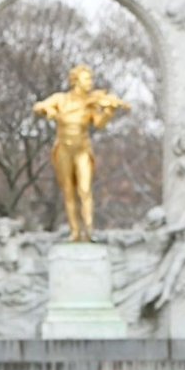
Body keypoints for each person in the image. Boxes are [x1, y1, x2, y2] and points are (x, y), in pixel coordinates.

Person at [32, 65, 130, 242]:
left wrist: (109, 111)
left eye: (90, 79)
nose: (90, 83)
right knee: (68, 191)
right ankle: (75, 231)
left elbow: (99, 124)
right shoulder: (61, 99)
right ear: (76, 81)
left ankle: (89, 230)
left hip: (82, 149)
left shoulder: (92, 103)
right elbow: (38, 107)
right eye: (87, 79)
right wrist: (50, 111)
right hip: (63, 148)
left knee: (85, 189)